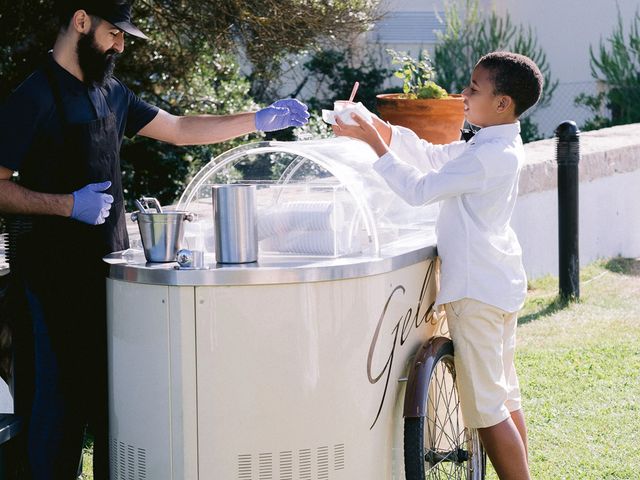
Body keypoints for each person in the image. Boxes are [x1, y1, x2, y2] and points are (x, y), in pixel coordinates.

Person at [0, 0, 309, 478]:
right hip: (47, 289)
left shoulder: (110, 92)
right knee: (53, 421)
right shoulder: (32, 96)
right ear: (81, 21)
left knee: (111, 418)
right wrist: (67, 205)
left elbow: (181, 129)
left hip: (105, 281)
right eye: (115, 33)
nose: (121, 44)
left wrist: (256, 120)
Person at [334, 51, 542, 480]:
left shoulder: (487, 156)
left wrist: (372, 144)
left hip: (478, 290)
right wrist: (380, 128)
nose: (463, 94)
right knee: (504, 398)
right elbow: (431, 157)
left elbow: (419, 189)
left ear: (502, 103)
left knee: (486, 410)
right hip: (498, 283)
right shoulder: (493, 144)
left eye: (474, 88)